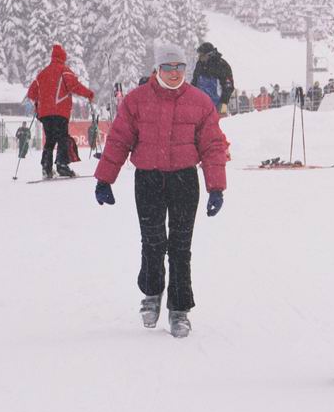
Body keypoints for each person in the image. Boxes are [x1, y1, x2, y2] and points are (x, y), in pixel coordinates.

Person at [93, 43, 228, 339]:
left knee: (180, 247)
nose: (174, 73)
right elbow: (119, 140)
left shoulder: (199, 102)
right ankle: (152, 294)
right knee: (152, 242)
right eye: (168, 67)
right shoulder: (136, 100)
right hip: (149, 180)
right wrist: (105, 179)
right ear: (157, 69)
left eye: (180, 67)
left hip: (184, 180)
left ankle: (179, 309)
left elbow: (213, 145)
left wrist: (216, 187)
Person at [26, 44, 95, 178]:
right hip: (60, 112)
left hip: (45, 114)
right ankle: (62, 165)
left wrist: (41, 101)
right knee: (63, 138)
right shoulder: (64, 71)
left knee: (50, 140)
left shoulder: (42, 74)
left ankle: (46, 167)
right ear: (63, 57)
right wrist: (89, 94)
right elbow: (75, 86)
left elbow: (31, 93)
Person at [191, 41, 235, 115]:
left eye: (201, 55)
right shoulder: (199, 64)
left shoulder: (222, 65)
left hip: (217, 105)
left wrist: (224, 102)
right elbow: (194, 82)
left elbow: (228, 86)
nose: (199, 57)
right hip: (200, 104)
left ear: (209, 55)